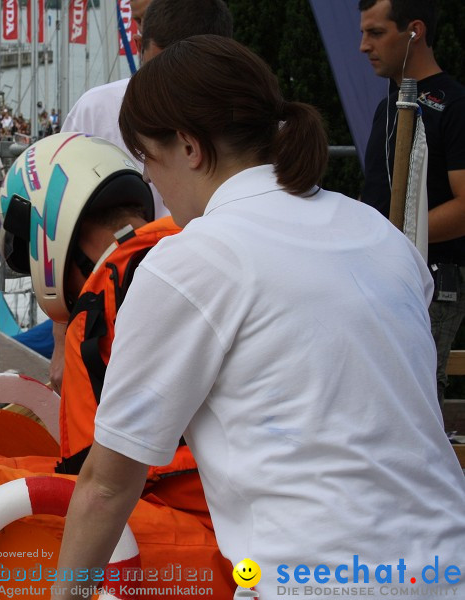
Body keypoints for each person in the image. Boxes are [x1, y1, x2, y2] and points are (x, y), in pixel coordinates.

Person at [52, 35, 465, 600]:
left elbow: (106, 485)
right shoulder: (380, 235)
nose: (147, 179)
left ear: (191, 148)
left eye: (148, 155)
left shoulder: (189, 262)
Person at [0, 135, 234, 598]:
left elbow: (99, 487)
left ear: (49, 231)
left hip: (208, 538)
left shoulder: (117, 290)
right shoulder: (175, 252)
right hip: (189, 505)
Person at [51, 0, 233, 393]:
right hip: (111, 324)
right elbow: (56, 225)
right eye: (154, 70)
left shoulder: (242, 125)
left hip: (205, 323)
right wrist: (63, 342)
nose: (148, 174)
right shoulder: (97, 109)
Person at [358, 0, 465, 414]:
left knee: (415, 390)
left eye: (376, 32)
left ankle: (430, 477)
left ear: (414, 30)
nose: (363, 46)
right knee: (380, 386)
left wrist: (392, 233)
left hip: (437, 276)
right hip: (384, 271)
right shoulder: (388, 107)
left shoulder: (454, 106)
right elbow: (375, 198)